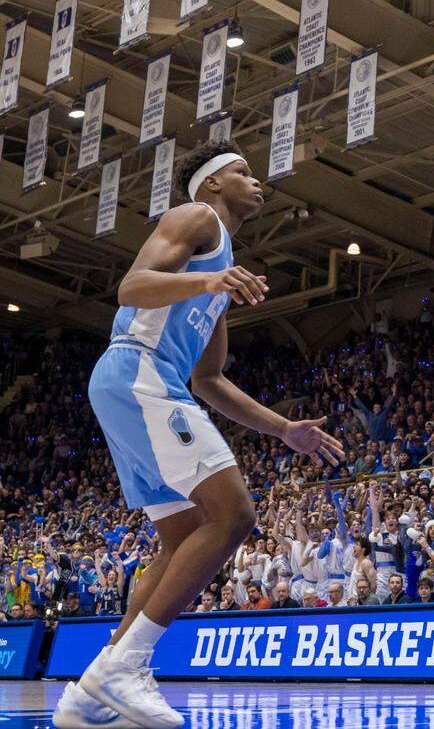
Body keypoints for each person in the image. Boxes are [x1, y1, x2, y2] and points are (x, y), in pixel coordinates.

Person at [56, 142, 344, 729]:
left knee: (185, 534)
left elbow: (209, 380)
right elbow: (132, 287)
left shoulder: (222, 267)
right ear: (212, 184)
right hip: (138, 371)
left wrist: (284, 428)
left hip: (145, 384)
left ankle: (90, 691)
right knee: (233, 515)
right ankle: (126, 667)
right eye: (242, 170)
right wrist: (208, 282)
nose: (256, 179)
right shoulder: (195, 218)